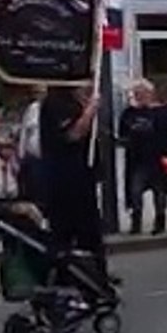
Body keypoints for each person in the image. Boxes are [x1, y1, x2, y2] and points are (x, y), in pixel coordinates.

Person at [39, 85, 110, 276]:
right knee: (65, 230)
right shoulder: (57, 103)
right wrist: (90, 110)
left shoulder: (74, 101)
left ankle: (95, 273)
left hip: (82, 176)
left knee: (90, 230)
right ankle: (63, 275)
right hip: (64, 178)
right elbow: (73, 134)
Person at [118, 79, 167, 235]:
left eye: (141, 93)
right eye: (136, 93)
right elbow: (123, 134)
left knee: (161, 193)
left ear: (150, 94)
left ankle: (160, 221)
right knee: (135, 191)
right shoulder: (129, 114)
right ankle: (136, 220)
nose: (138, 96)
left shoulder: (165, 113)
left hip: (161, 159)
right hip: (138, 161)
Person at [18, 85, 46, 207]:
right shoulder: (32, 109)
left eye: (41, 92)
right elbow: (25, 131)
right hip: (34, 157)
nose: (39, 95)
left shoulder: (56, 108)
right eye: (36, 92)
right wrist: (21, 154)